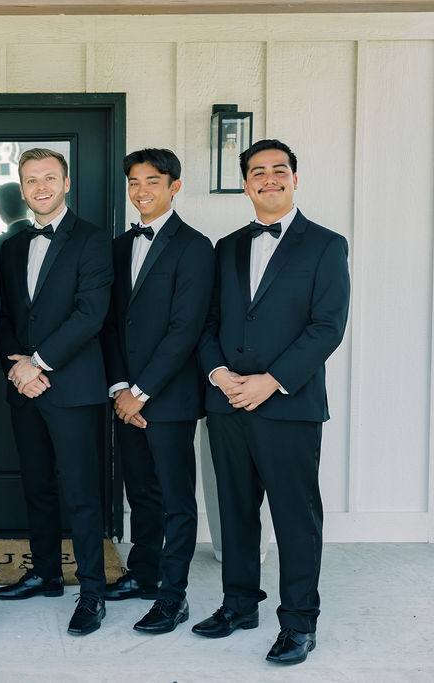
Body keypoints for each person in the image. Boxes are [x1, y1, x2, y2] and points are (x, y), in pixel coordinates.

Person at [194, 139, 350, 665]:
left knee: (294, 518)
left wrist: (271, 380)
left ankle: (300, 623)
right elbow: (208, 321)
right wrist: (218, 374)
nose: (269, 179)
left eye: (279, 170)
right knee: (235, 513)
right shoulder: (227, 247)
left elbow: (327, 328)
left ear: (295, 179)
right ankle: (239, 604)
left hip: (289, 406)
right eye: (257, 172)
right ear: (245, 184)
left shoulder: (327, 246)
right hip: (227, 404)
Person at [0, 148, 114, 636]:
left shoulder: (93, 240)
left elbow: (90, 313)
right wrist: (18, 366)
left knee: (81, 493)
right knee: (37, 485)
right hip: (24, 386)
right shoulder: (12, 245)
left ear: (66, 183)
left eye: (49, 178)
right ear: (22, 189)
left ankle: (92, 591)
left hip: (73, 386)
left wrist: (39, 363)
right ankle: (45, 573)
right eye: (31, 180)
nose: (40, 187)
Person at [101, 148, 214, 633]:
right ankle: (143, 575)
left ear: (174, 186)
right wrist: (121, 387)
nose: (141, 190)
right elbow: (110, 323)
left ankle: (173, 595)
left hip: (168, 396)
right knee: (140, 492)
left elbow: (185, 328)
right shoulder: (119, 246)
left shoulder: (195, 246)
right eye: (134, 182)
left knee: (174, 499)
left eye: (152, 181)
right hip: (125, 394)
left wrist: (142, 391)